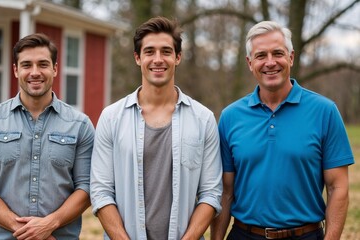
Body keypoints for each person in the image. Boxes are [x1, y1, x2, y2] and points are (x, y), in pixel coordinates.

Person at [210, 20, 355, 240]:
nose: (270, 62)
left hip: (306, 235)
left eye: (277, 53)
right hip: (244, 234)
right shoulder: (230, 117)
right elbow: (226, 192)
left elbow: (338, 187)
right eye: (261, 56)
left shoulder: (325, 112)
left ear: (291, 57)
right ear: (250, 63)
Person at [90, 16, 223, 240]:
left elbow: (211, 193)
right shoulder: (111, 118)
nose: (158, 59)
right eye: (149, 51)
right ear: (137, 58)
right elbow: (101, 192)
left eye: (166, 51)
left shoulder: (204, 119)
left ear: (178, 57)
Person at [0, 33, 94, 239]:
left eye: (43, 64)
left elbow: (87, 187)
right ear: (16, 70)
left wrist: (50, 224)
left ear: (55, 68)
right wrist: (27, 231)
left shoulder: (80, 125)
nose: (35, 72)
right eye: (26, 65)